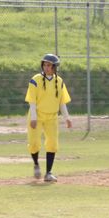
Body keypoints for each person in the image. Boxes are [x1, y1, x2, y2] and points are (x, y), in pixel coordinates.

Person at [25, 53, 73, 182]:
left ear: (55, 67)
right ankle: (36, 164)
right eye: (45, 65)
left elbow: (62, 102)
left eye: (50, 65)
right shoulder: (36, 79)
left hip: (52, 117)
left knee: (52, 143)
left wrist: (67, 118)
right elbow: (32, 101)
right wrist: (34, 117)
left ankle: (48, 173)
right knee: (34, 142)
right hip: (37, 115)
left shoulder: (59, 81)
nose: (47, 68)